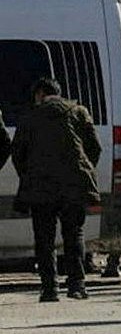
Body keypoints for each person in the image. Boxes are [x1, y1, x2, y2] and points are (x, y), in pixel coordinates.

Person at [13, 77, 100, 302]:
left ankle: (49, 288)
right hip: (74, 186)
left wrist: (29, 175)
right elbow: (94, 147)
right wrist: (83, 170)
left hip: (40, 187)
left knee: (44, 239)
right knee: (74, 234)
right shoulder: (78, 112)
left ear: (40, 94)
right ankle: (77, 285)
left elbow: (18, 154)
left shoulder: (30, 117)